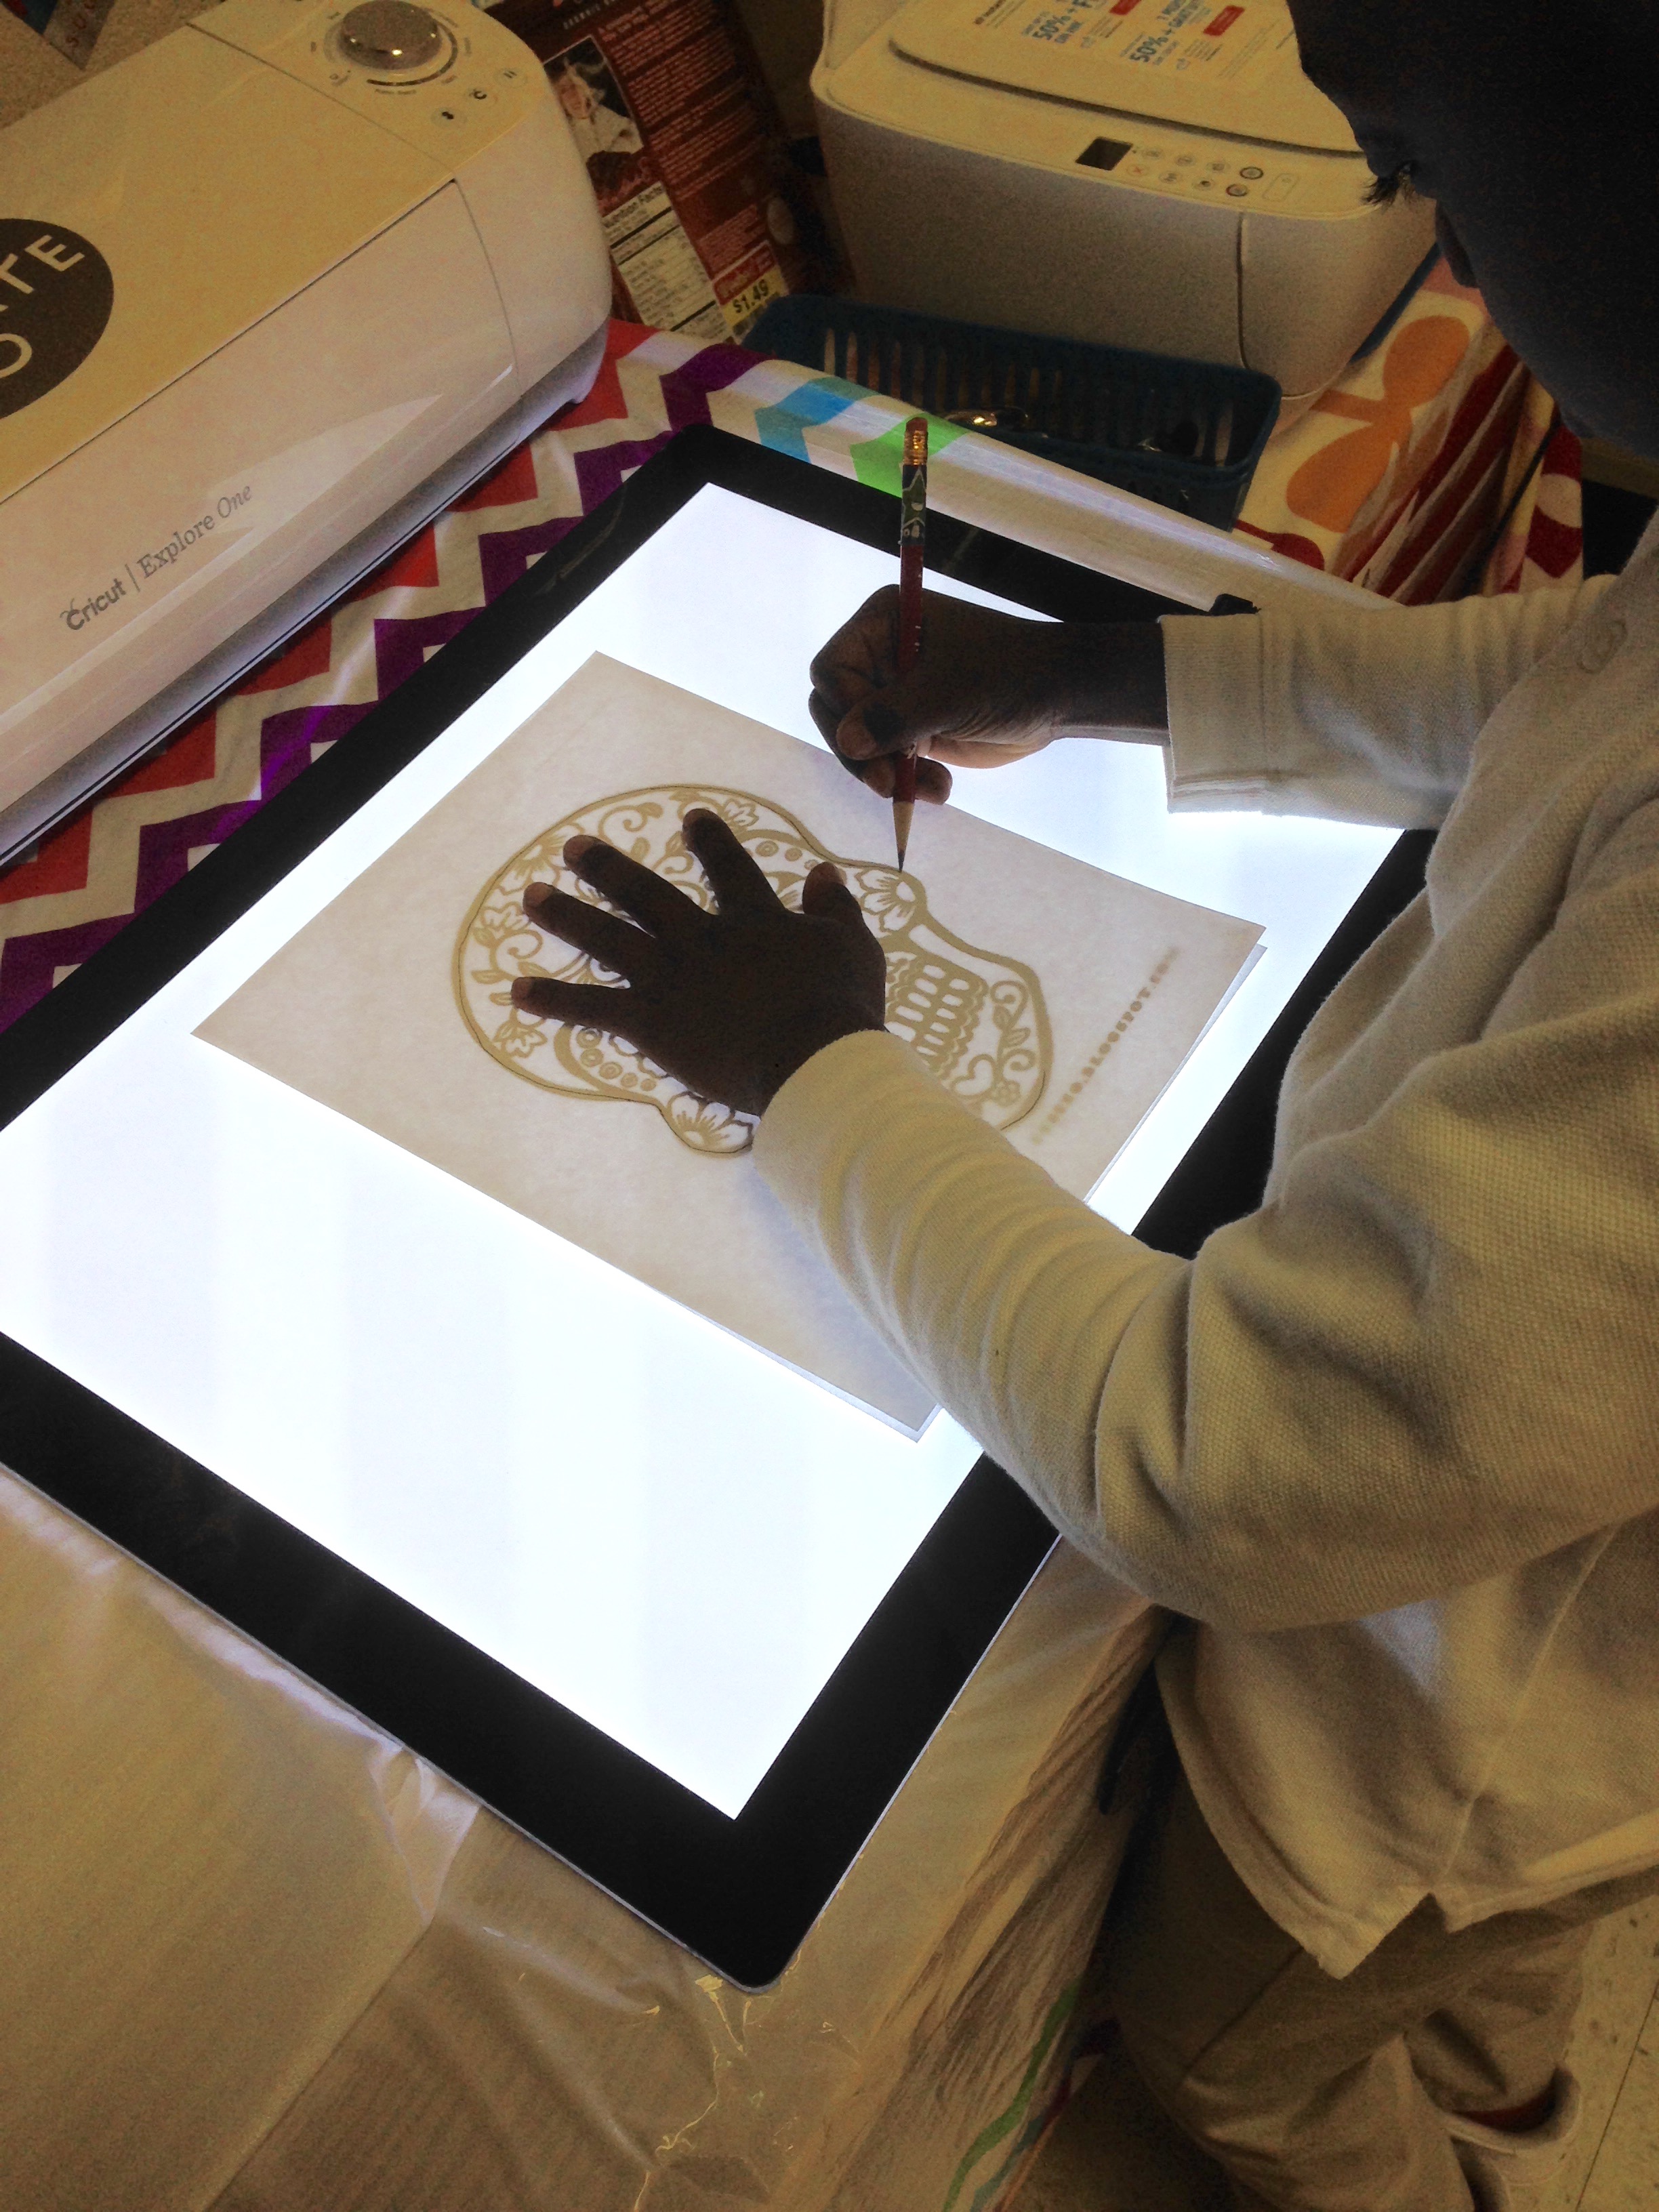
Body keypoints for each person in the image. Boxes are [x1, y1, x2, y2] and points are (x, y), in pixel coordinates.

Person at [506, 2, 1659, 2205]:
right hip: (1551, 1704)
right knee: (1486, 1972)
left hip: (1450, 1747)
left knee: (1247, 2054)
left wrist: (806, 1070)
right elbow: (1574, 674)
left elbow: (1229, 1458)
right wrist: (1104, 671)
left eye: (1416, 150)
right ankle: (1504, 2084)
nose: (1427, 234)